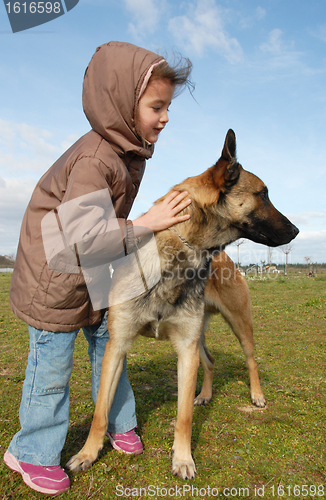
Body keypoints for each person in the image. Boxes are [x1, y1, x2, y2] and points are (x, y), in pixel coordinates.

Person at [4, 41, 193, 495]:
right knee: (51, 369)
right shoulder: (96, 158)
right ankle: (29, 451)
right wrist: (147, 223)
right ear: (123, 104)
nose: (166, 117)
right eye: (157, 106)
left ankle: (116, 422)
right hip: (55, 279)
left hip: (91, 276)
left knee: (112, 344)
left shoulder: (127, 153)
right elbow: (82, 239)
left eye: (168, 106)